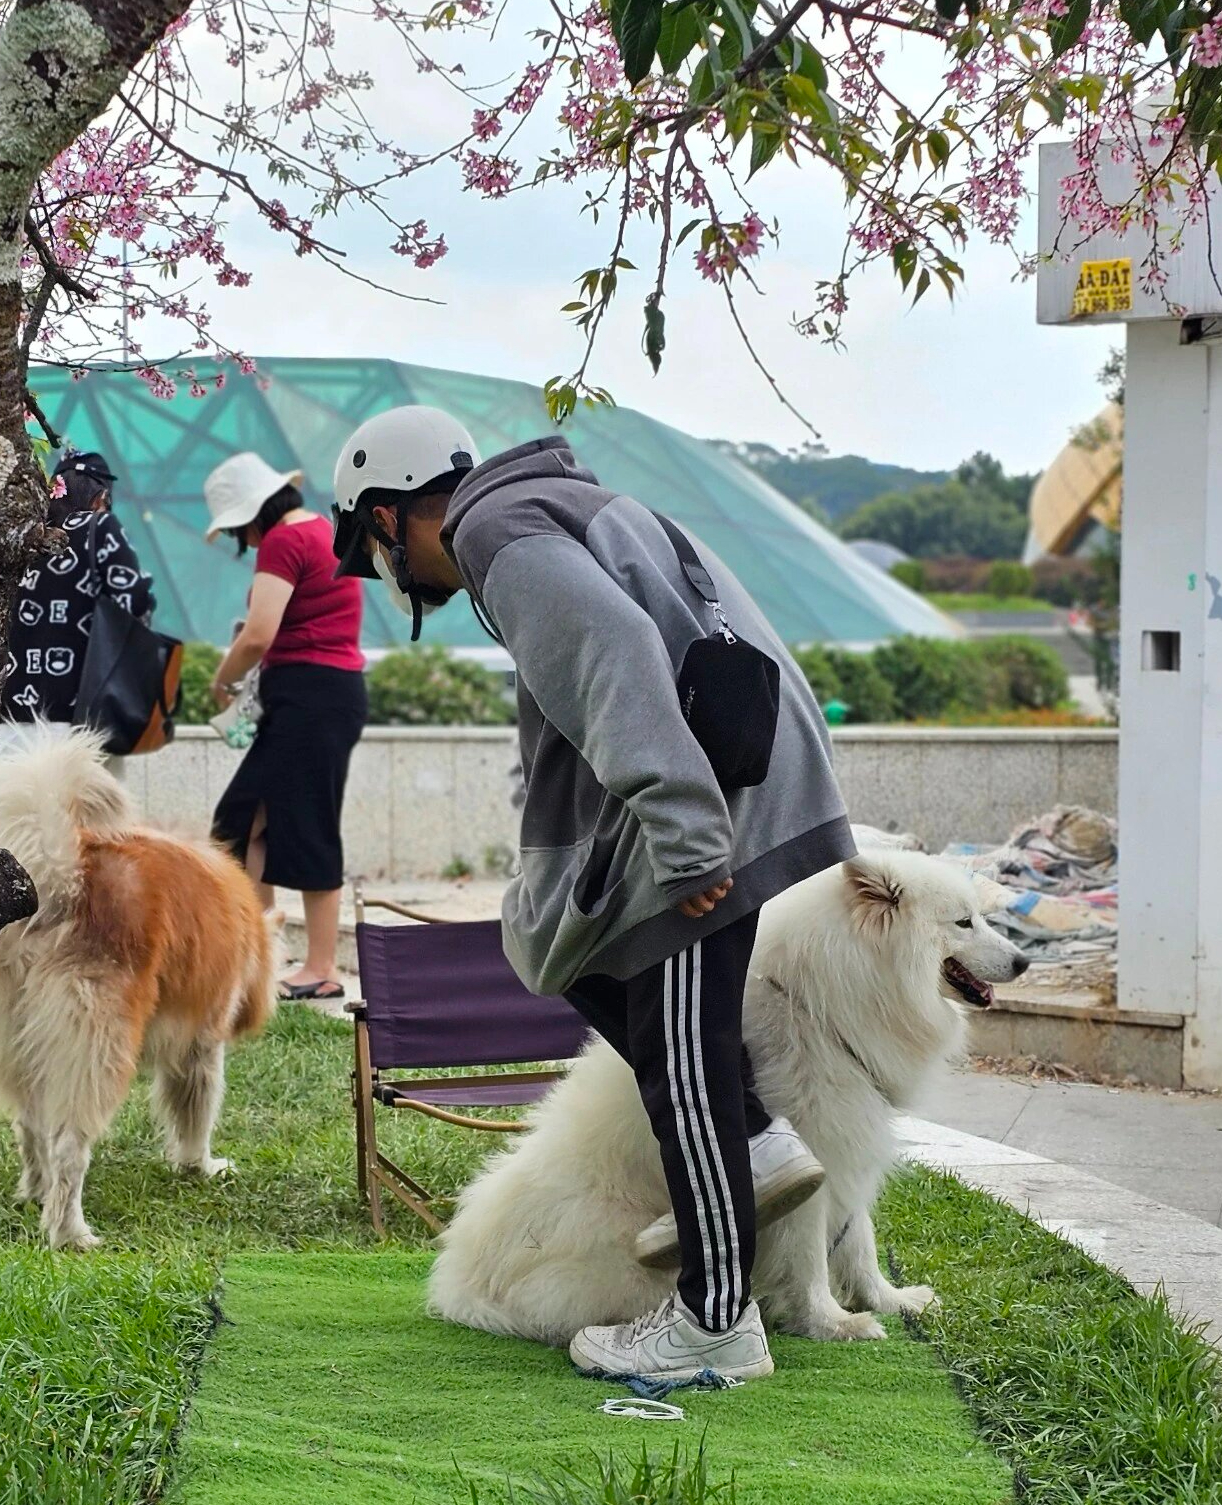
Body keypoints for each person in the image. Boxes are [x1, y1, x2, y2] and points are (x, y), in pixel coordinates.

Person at [329, 407, 854, 1386]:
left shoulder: (497, 533)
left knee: (681, 1063)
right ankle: (755, 1144)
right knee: (622, 1002)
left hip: (713, 804)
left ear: (393, 515)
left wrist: (689, 837)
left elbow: (615, 650)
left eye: (372, 544)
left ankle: (713, 1322)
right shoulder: (552, 508)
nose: (387, 572)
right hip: (731, 773)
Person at [202, 452, 367, 1002]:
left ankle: (319, 968)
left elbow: (257, 635)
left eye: (238, 530)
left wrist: (222, 683)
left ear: (254, 514)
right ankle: (256, 947)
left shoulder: (283, 541)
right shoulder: (322, 529)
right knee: (250, 821)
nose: (243, 543)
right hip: (323, 696)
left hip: (309, 696)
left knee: (292, 824)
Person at [0, 450, 155, 774]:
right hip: (78, 717)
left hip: (8, 719)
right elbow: (135, 600)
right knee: (81, 823)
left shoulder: (21, 536)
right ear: (100, 498)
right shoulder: (100, 527)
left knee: (16, 821)